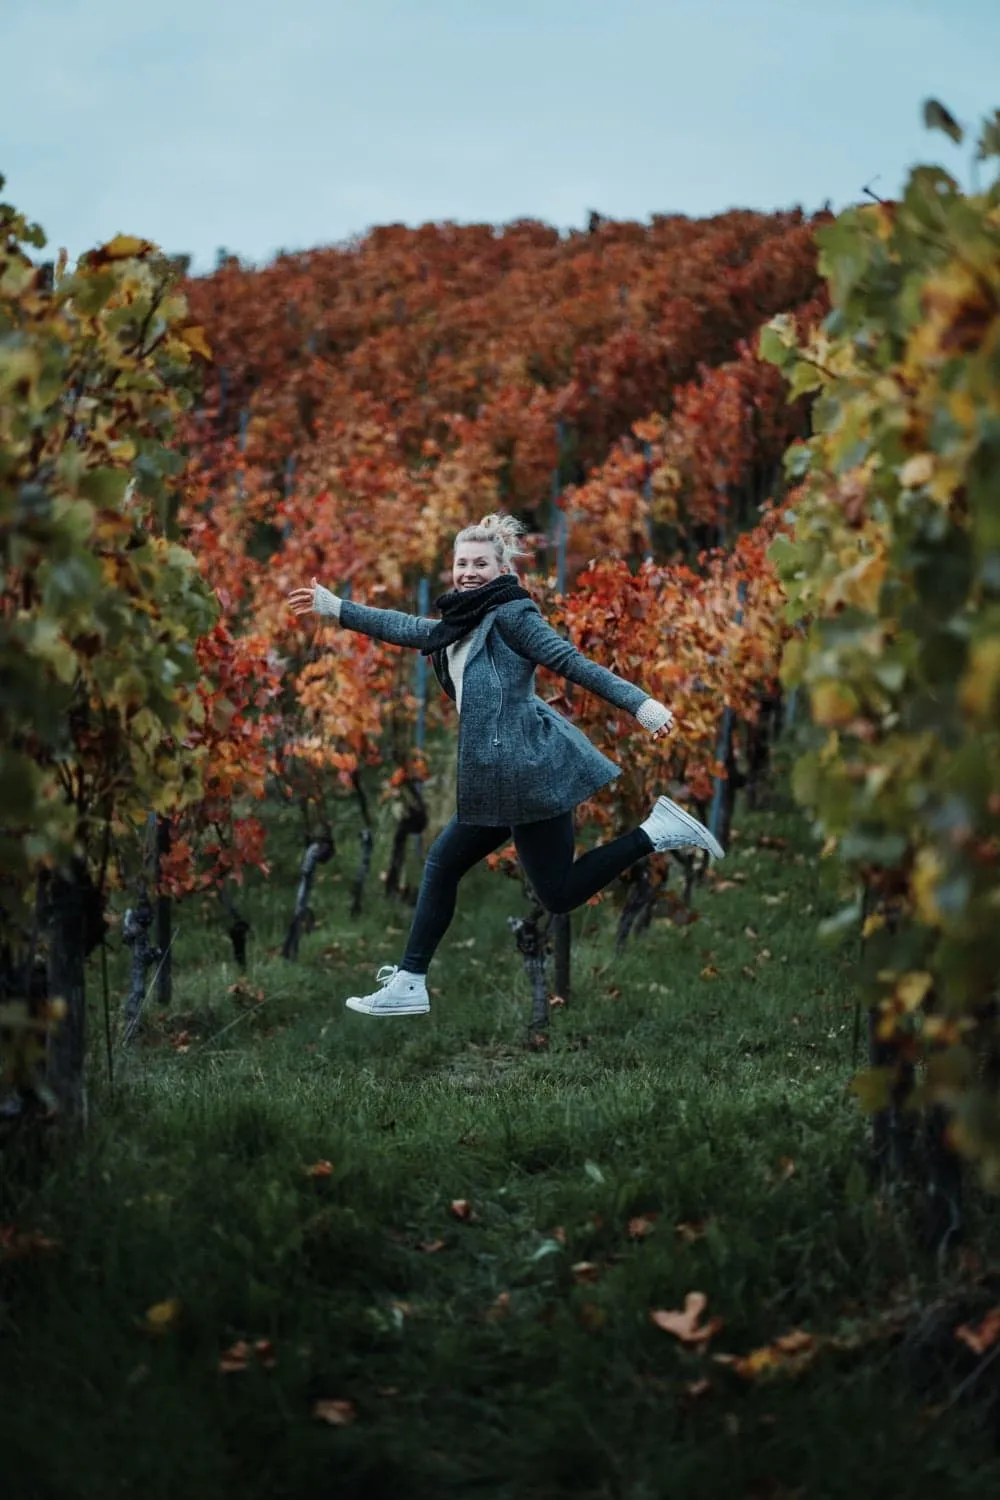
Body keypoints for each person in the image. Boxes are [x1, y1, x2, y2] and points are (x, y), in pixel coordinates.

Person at [287, 512, 724, 1017]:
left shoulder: (513, 615)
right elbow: (408, 628)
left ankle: (411, 979)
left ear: (501, 569)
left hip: (519, 774)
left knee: (443, 863)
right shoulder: (460, 623)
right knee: (556, 893)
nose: (468, 571)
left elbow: (570, 662)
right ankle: (656, 831)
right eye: (461, 563)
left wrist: (641, 705)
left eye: (480, 563)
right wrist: (334, 607)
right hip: (522, 774)